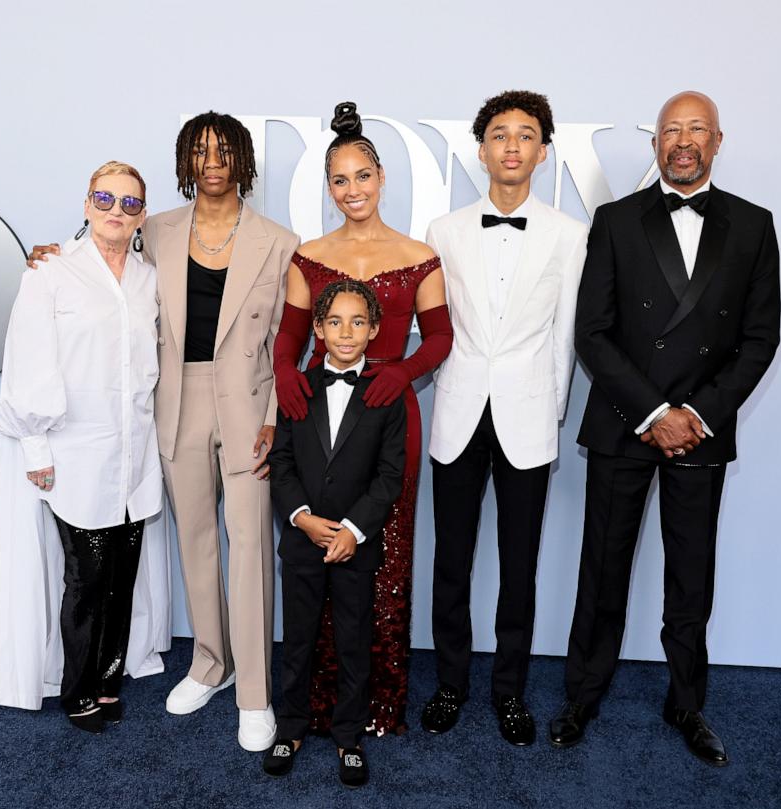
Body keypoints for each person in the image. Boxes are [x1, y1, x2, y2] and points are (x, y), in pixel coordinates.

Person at [28, 113, 300, 751]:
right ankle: (212, 663)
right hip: (172, 403)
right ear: (185, 161)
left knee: (251, 546)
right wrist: (44, 254)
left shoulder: (279, 240)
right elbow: (96, 256)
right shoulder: (155, 230)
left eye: (223, 151)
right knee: (196, 544)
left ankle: (255, 692)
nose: (212, 161)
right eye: (199, 151)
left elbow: (291, 344)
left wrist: (272, 419)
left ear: (242, 161)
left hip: (250, 408)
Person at [549, 91, 781, 767]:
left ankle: (687, 703)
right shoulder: (618, 221)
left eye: (697, 130)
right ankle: (582, 695)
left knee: (690, 575)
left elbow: (760, 338)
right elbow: (592, 331)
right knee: (602, 569)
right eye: (672, 130)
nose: (684, 141)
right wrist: (654, 413)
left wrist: (696, 415)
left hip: (702, 430)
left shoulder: (753, 225)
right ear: (655, 143)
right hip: (628, 422)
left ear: (718, 141)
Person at [272, 102, 453, 736]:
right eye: (340, 180)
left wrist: (402, 371)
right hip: (318, 420)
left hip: (389, 414)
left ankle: (373, 705)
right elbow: (289, 339)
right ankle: (312, 702)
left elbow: (437, 340)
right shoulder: (309, 255)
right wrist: (285, 376)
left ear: (381, 178)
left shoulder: (418, 254)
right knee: (316, 544)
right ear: (329, 188)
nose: (353, 190)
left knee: (381, 555)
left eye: (363, 176)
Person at [419, 91, 588, 746]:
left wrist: (548, 413)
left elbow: (566, 334)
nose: (511, 145)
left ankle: (510, 690)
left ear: (543, 152)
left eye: (525, 135)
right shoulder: (445, 230)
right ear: (481, 148)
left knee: (520, 565)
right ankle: (451, 683)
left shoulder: (569, 235)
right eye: (498, 134)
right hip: (458, 408)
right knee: (452, 561)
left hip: (527, 416)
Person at [0, 161, 168, 732]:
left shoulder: (148, 278)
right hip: (76, 454)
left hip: (134, 454)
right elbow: (27, 362)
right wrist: (36, 450)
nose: (117, 210)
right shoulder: (50, 272)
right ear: (87, 203)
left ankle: (110, 679)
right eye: (105, 197)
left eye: (130, 202)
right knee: (87, 578)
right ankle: (77, 689)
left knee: (124, 575)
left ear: (142, 213)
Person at [263, 280, 406, 787]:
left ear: (373, 331)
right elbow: (280, 462)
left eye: (358, 322)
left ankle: (349, 734)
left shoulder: (386, 395)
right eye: (336, 323)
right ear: (318, 329)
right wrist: (300, 516)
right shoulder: (297, 386)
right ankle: (292, 725)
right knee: (298, 641)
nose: (347, 333)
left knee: (352, 641)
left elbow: (391, 475)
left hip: (355, 546)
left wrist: (353, 530)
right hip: (303, 540)